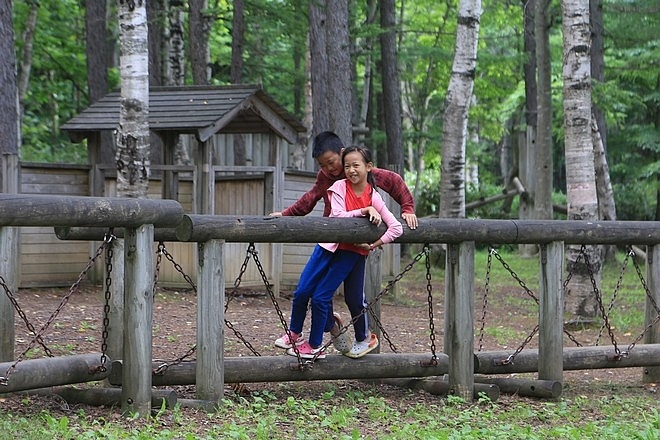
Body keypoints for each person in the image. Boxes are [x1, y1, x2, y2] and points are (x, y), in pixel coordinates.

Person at [271, 131, 418, 352]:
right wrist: (285, 215)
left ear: (342, 154)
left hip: (354, 247)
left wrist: (407, 208)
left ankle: (354, 337)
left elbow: (394, 182)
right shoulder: (328, 179)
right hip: (330, 240)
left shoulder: (363, 171)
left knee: (350, 296)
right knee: (312, 290)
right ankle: (327, 328)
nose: (329, 169)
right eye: (323, 165)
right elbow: (309, 199)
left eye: (331, 162)